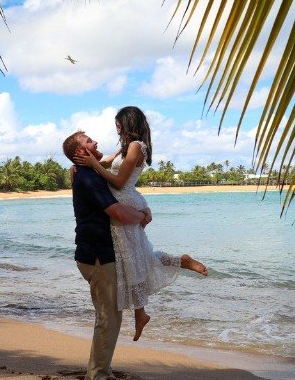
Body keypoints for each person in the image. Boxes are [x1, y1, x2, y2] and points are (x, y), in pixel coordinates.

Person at [73, 106, 207, 342]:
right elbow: (105, 165)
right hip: (123, 202)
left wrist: (93, 165)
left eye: (118, 123)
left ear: (128, 122)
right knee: (134, 259)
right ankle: (141, 312)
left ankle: (179, 264)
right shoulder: (124, 147)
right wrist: (84, 164)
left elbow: (119, 180)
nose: (116, 127)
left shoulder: (136, 146)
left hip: (126, 202)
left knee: (134, 259)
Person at [63, 130, 152, 380]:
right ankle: (97, 375)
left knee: (110, 315)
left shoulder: (90, 173)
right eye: (89, 141)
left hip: (96, 253)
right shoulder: (89, 179)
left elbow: (115, 164)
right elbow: (119, 214)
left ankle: (101, 368)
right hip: (97, 256)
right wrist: (143, 216)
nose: (96, 141)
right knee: (108, 316)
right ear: (81, 152)